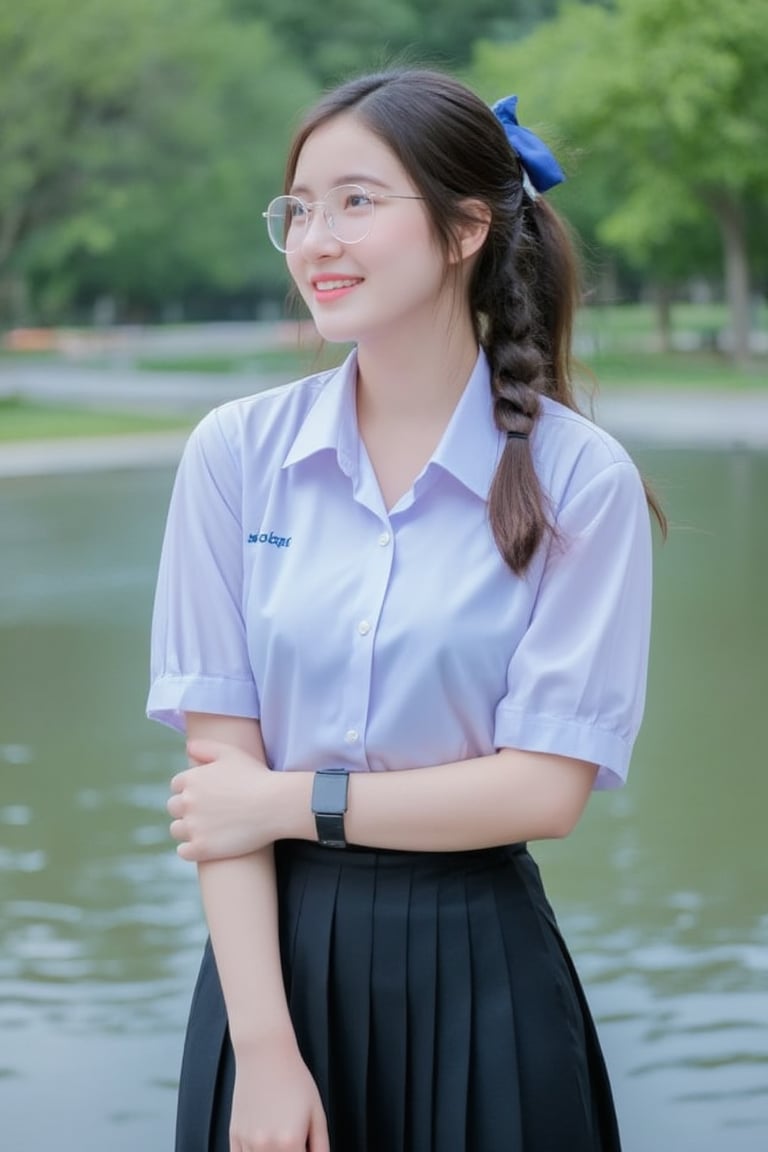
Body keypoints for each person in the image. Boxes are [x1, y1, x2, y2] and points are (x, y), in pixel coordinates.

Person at [148, 67, 663, 1152]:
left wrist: (291, 802)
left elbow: (542, 789)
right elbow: (217, 782)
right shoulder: (236, 457)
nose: (314, 240)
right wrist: (268, 1060)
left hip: (483, 978)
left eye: (356, 201)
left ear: (466, 225)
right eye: (298, 209)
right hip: (267, 981)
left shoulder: (582, 481)